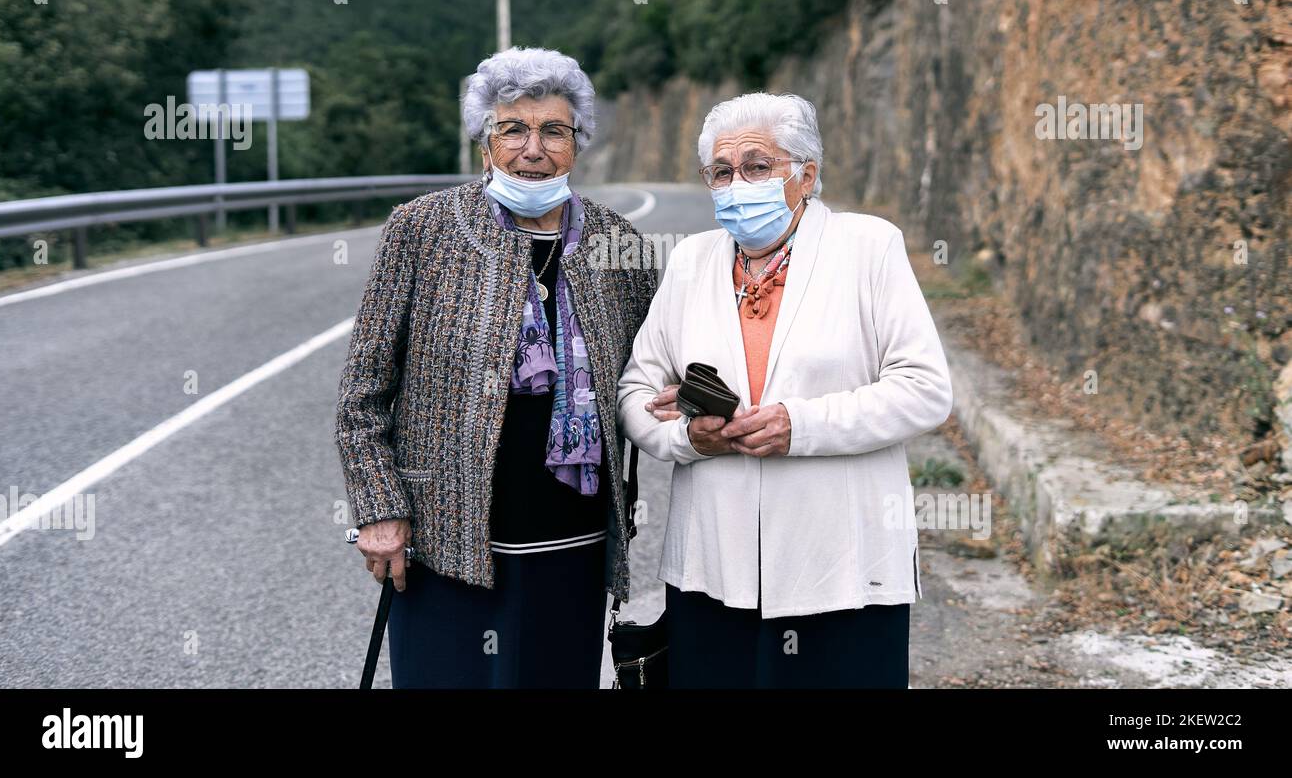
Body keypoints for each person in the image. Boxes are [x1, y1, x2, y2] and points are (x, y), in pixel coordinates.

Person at [335, 46, 657, 687]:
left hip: (573, 547)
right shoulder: (422, 230)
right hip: (445, 543)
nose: (532, 148)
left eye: (553, 131)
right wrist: (378, 509)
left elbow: (649, 375)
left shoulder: (621, 246)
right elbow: (363, 393)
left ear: (578, 144)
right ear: (486, 143)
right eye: (513, 128)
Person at [618, 91, 953, 687]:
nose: (736, 182)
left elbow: (924, 388)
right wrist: (689, 437)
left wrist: (799, 425)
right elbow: (635, 392)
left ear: (806, 175)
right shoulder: (693, 261)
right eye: (721, 172)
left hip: (842, 572)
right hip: (711, 572)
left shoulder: (868, 248)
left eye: (756, 165)